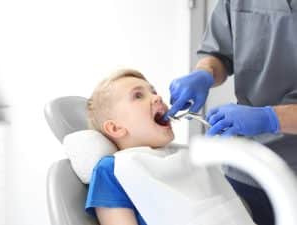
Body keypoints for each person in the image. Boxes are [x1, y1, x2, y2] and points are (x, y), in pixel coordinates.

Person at [163, 1, 297, 225]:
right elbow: (219, 53)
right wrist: (205, 72)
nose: (155, 99)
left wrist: (269, 117)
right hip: (247, 168)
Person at [84, 69, 254, 225]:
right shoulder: (112, 169)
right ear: (115, 128)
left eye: (154, 92)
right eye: (138, 96)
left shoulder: (185, 156)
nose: (157, 98)